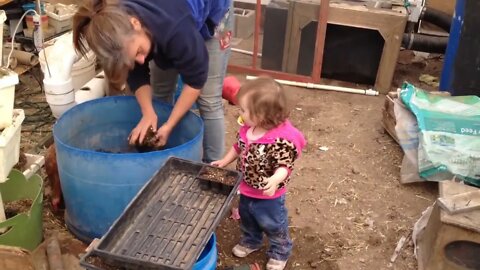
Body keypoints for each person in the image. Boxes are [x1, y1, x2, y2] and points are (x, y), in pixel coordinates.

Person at [73, 0, 232, 162]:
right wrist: (148, 112)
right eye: (134, 57)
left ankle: (214, 166)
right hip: (166, 24)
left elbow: (195, 82)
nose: (142, 60)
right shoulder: (120, 27)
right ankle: (160, 154)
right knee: (160, 91)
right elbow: (136, 73)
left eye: (139, 51)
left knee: (209, 100)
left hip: (211, 15)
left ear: (136, 23)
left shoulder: (176, 28)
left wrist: (169, 125)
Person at [212, 77, 306, 270]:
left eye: (244, 110)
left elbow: (285, 165)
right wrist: (225, 160)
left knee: (273, 223)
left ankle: (280, 251)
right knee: (247, 217)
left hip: (269, 195)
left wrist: (274, 180)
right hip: (246, 188)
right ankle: (251, 241)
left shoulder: (281, 139)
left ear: (262, 114)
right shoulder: (249, 128)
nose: (240, 113)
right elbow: (238, 147)